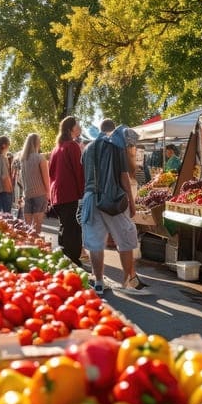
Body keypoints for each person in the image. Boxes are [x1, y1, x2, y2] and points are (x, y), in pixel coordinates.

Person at [80, 119, 148, 295]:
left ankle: (99, 281)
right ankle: (128, 281)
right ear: (113, 130)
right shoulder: (116, 145)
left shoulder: (87, 149)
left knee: (95, 242)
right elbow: (124, 177)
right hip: (113, 198)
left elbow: (85, 176)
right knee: (124, 239)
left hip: (90, 198)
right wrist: (132, 203)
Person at [49, 116, 85, 267]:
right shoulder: (72, 146)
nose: (80, 126)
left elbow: (51, 172)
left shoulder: (57, 147)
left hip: (57, 193)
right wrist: (82, 191)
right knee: (72, 228)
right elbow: (78, 170)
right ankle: (72, 260)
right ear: (71, 129)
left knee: (65, 225)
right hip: (68, 192)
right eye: (78, 124)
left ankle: (64, 257)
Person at [19, 133, 50, 234]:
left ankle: (29, 245)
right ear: (37, 143)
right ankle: (36, 246)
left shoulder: (22, 159)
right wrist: (48, 193)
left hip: (27, 194)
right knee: (37, 226)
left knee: (27, 226)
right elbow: (46, 178)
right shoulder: (40, 158)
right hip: (40, 194)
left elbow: (21, 179)